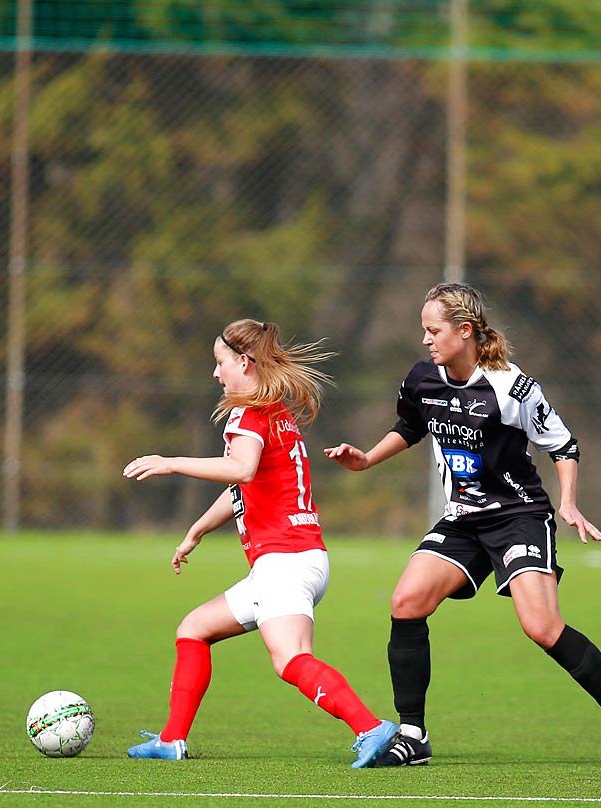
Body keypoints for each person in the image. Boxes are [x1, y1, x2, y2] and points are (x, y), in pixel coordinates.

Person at [325, 282, 601, 770]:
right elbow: (410, 425)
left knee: (542, 626)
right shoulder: (423, 378)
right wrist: (366, 459)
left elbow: (564, 445)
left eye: (434, 330)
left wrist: (568, 503)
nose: (425, 340)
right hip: (465, 518)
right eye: (423, 330)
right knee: (406, 602)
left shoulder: (513, 387)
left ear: (464, 331)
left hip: (519, 517)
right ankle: (412, 735)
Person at [120, 318, 399, 768]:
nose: (216, 373)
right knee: (194, 629)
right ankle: (172, 739)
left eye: (220, 362)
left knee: (290, 659)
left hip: (284, 562)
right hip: (294, 559)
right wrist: (197, 530)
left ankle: (370, 727)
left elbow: (242, 469)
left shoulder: (248, 414)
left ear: (245, 362)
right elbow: (244, 488)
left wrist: (171, 462)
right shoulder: (275, 414)